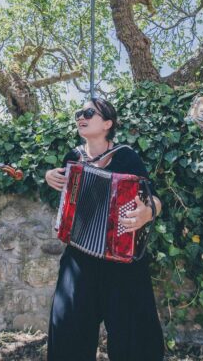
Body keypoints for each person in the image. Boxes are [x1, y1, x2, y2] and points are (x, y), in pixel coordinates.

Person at [44, 98, 165, 361]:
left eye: (88, 112)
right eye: (79, 113)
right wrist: (49, 176)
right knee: (68, 333)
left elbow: (154, 199)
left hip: (122, 264)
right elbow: (66, 198)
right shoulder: (72, 158)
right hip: (79, 259)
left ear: (107, 123)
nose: (80, 117)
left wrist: (147, 213)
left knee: (133, 338)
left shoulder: (126, 156)